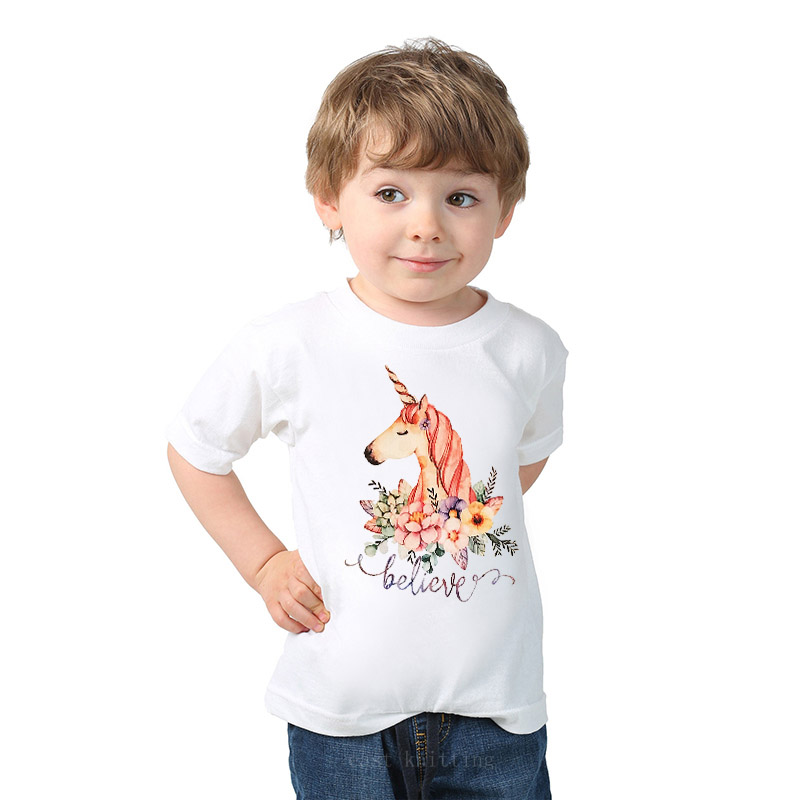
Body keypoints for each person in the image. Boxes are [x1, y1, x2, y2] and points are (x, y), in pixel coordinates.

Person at [166, 37, 567, 800]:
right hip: (341, 713)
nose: (426, 225)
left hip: (496, 712)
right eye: (391, 193)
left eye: (461, 197)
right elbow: (197, 451)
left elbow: (521, 457)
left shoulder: (529, 349)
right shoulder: (287, 343)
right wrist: (264, 563)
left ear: (505, 211)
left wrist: (452, 515)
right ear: (329, 199)